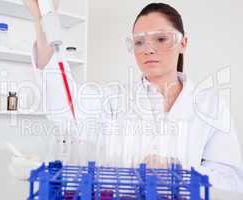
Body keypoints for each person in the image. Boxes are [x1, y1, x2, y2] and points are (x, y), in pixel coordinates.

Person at [23, 0, 243, 192]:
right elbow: (63, 107)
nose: (148, 49)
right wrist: (42, 21)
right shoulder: (115, 100)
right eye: (139, 42)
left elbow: (231, 178)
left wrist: (179, 171)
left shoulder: (209, 104)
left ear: (183, 43)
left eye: (160, 39)